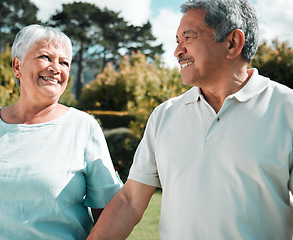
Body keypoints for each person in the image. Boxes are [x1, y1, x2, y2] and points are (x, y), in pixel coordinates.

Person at [87, 0, 293, 239]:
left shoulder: (286, 109)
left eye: (188, 38)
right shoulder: (164, 115)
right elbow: (130, 200)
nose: (177, 51)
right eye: (177, 41)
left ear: (232, 43)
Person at [0, 24, 122, 239]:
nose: (55, 68)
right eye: (45, 57)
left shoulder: (84, 128)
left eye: (64, 62)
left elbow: (110, 216)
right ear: (17, 66)